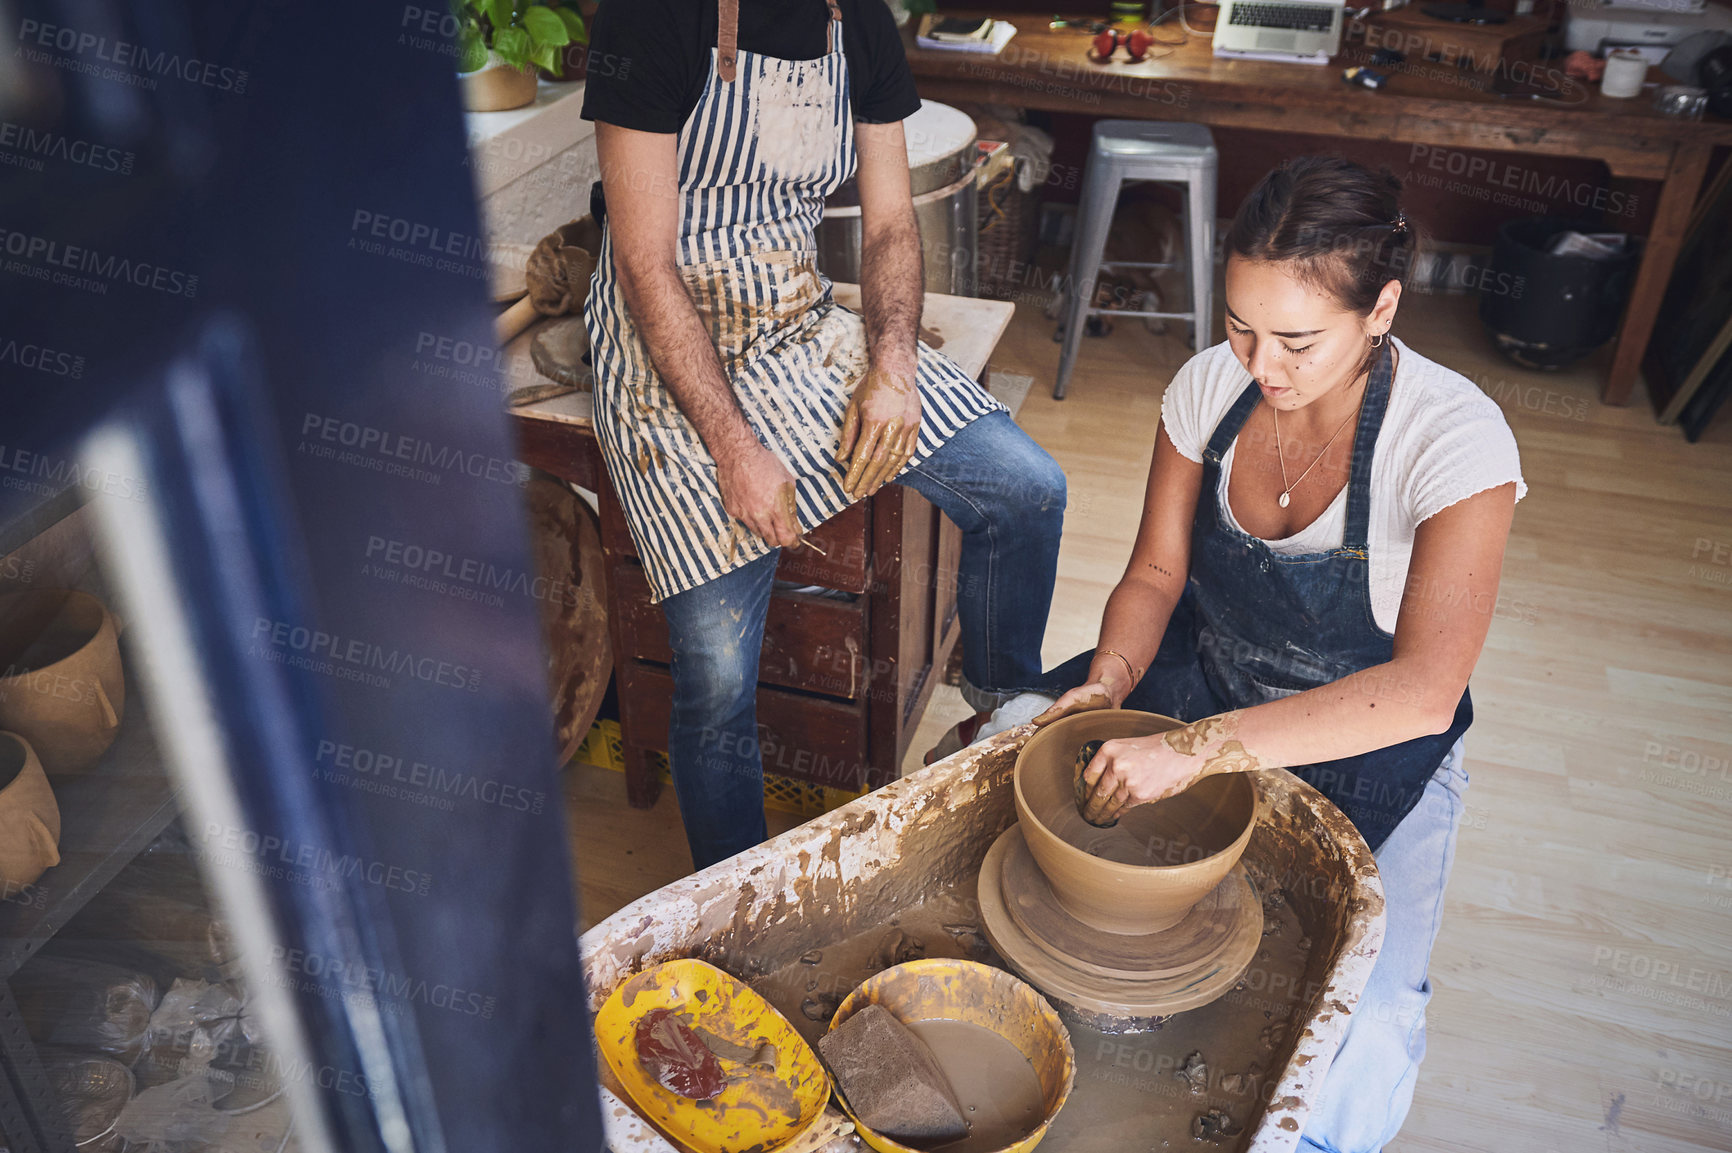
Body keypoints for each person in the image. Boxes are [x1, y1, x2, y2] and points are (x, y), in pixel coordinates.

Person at [1006, 156, 1524, 1151]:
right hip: (1207, 672)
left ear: (1380, 309)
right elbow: (1156, 577)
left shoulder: (1452, 438)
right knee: (1000, 742)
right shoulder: (1210, 388)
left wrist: (1194, 751)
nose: (1259, 365)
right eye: (1239, 325)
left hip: (1378, 744)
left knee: (1358, 1028)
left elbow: (1422, 690)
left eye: (1296, 340)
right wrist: (1108, 680)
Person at [580, 0, 1065, 870]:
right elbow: (643, 263)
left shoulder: (858, 23)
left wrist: (893, 365)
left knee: (1026, 489)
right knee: (718, 679)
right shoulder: (651, 16)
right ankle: (736, 907)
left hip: (792, 318)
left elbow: (888, 227)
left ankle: (996, 720)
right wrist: (736, 450)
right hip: (664, 351)